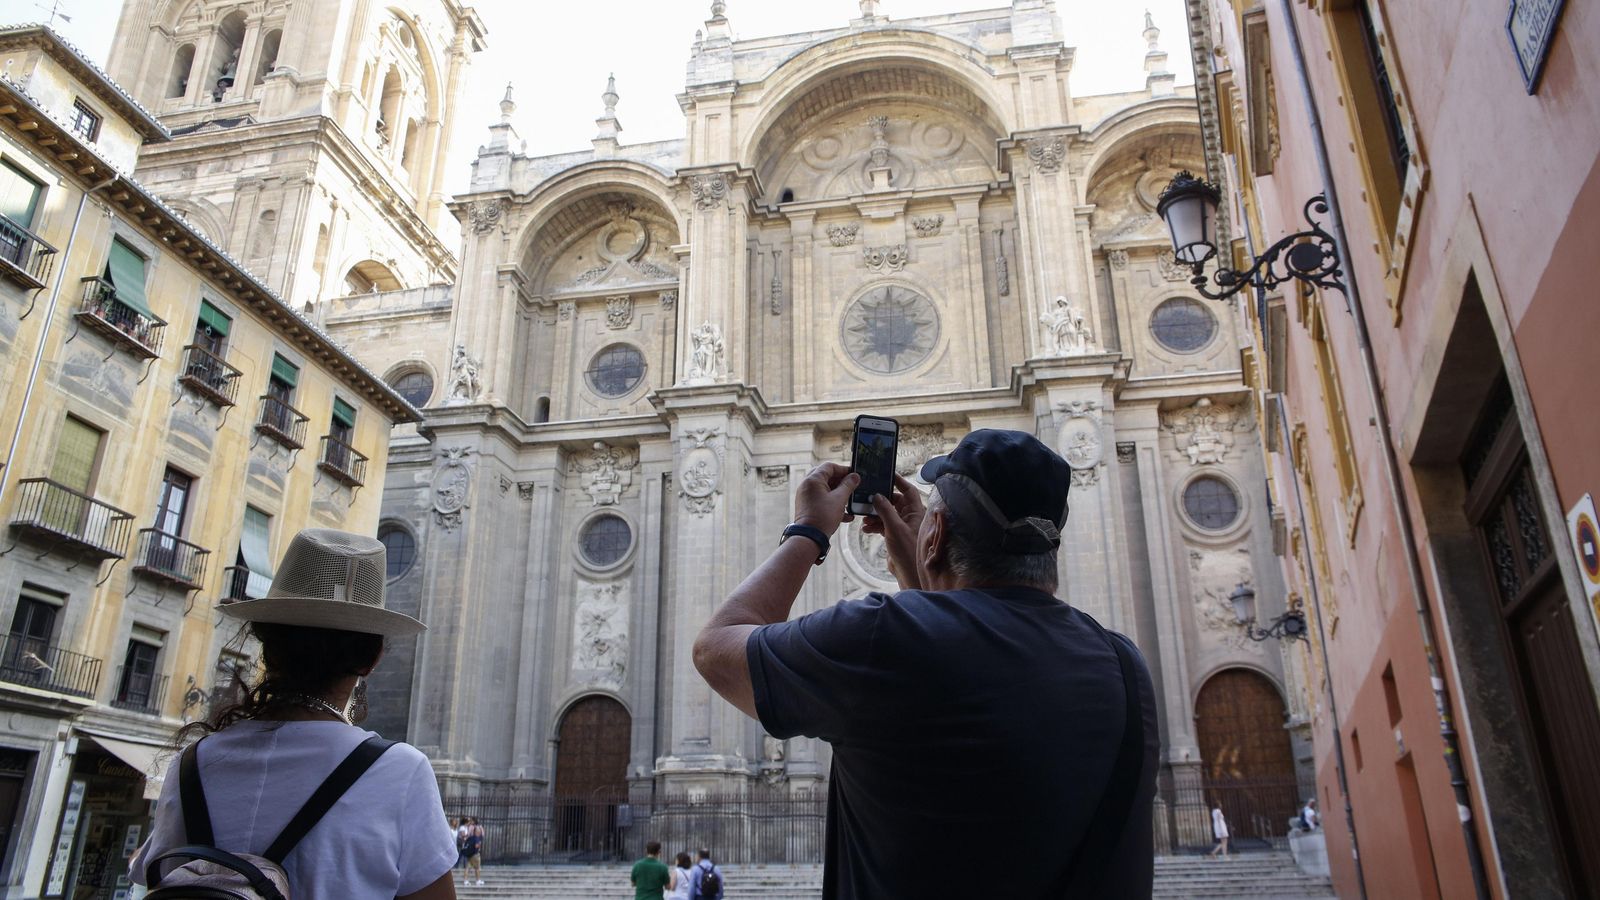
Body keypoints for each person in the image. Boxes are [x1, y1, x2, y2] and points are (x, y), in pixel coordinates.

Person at [693, 429, 1159, 899]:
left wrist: (809, 530)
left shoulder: (882, 637)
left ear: (933, 536)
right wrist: (923, 573)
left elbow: (716, 649)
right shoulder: (1124, 665)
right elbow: (958, 656)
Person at [130, 529, 457, 898]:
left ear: (267, 643)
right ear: (372, 659)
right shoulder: (400, 771)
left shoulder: (192, 763)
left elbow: (159, 877)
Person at [462, 817, 484, 886]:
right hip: (475, 854)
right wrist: (479, 845)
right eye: (479, 831)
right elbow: (476, 846)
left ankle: (465, 880)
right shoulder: (477, 838)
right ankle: (478, 880)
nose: (480, 831)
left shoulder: (470, 837)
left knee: (467, 868)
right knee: (477, 868)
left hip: (469, 854)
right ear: (476, 831)